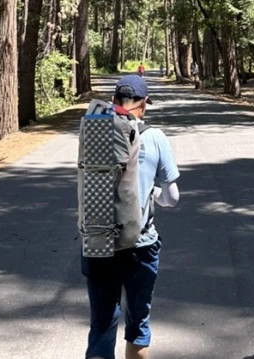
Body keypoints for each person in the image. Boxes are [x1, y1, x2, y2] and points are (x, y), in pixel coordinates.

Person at [82, 73, 180, 359]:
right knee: (138, 325)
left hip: (99, 242)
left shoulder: (96, 132)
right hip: (141, 245)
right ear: (144, 104)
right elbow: (172, 197)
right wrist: (153, 195)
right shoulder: (155, 137)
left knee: (101, 325)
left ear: (113, 101)